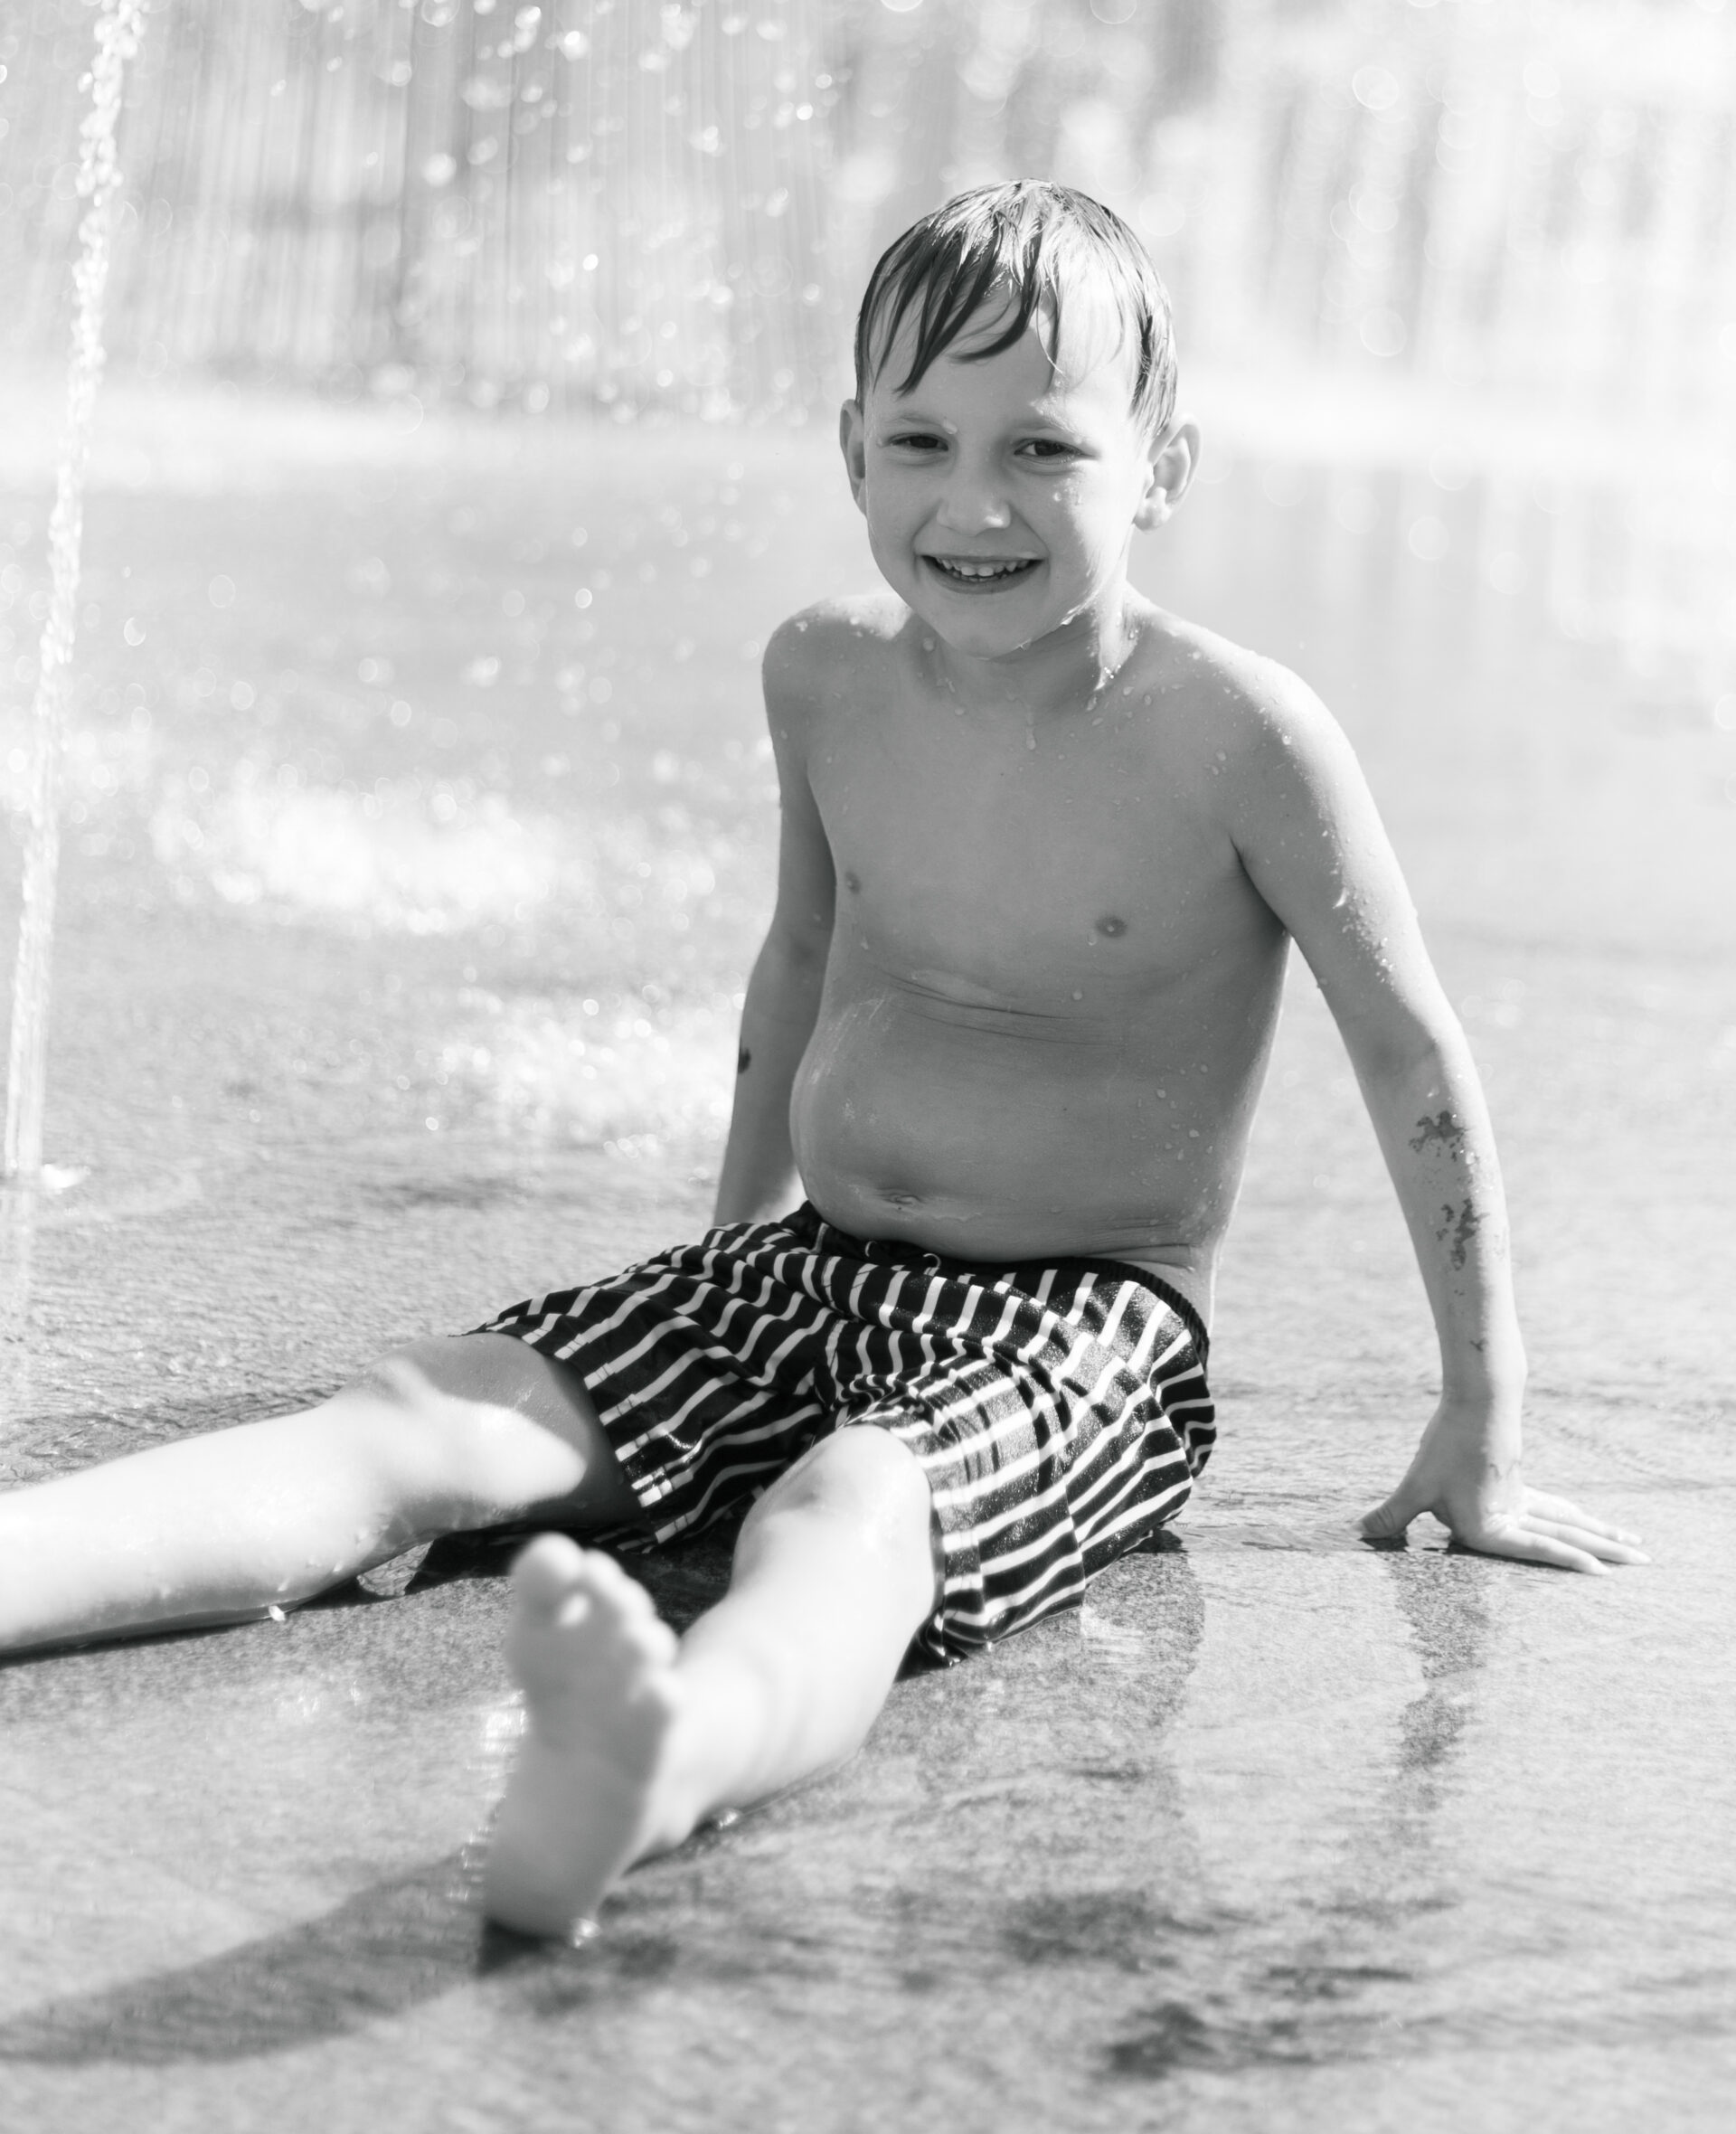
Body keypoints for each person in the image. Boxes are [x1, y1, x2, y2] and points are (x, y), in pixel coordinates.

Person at [0, 183, 1645, 1940]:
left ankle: (666, 1748)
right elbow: (802, 958)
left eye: (1045, 447)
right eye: (921, 439)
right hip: (801, 1269)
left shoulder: (1239, 736)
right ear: (850, 446)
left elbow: (1409, 1053)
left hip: (1079, 1322)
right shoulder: (826, 675)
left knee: (849, 1510)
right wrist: (730, 1234)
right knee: (424, 1419)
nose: (974, 501)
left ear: (1162, 462)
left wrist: (1481, 1414)